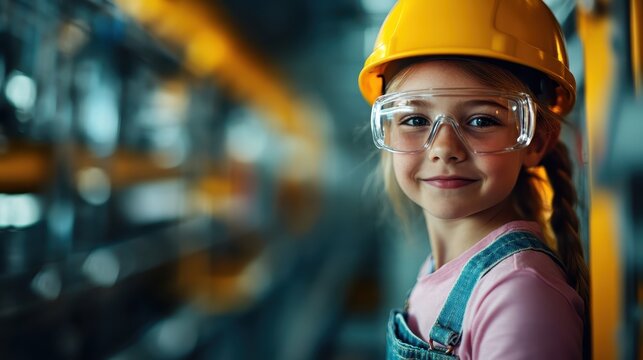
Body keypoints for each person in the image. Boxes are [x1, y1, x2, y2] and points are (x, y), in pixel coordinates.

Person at [357, 0, 590, 359]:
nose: (444, 149)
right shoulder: (443, 268)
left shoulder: (520, 295)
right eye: (415, 121)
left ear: (537, 141)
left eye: (482, 120)